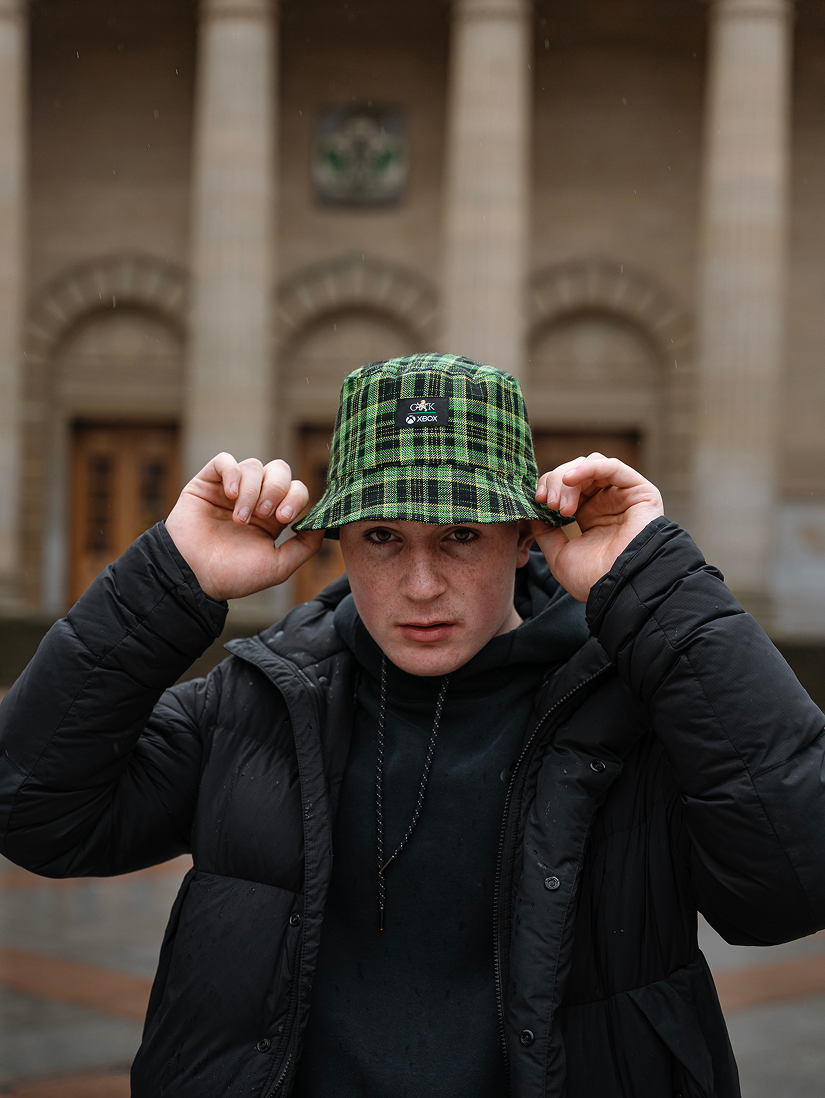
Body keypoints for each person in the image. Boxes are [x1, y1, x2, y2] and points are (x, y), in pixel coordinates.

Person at [1, 352, 824, 1098]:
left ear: (524, 536)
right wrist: (170, 577)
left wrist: (659, 589)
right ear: (338, 541)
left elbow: (795, 881)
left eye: (461, 535)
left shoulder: (639, 713)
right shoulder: (255, 704)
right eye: (384, 537)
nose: (421, 584)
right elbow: (33, 809)